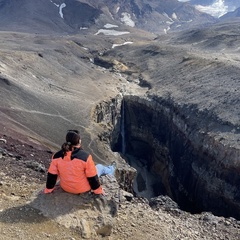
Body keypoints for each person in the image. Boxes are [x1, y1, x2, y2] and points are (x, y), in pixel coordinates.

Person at [44, 130, 115, 195]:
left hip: (66, 188)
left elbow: (52, 176)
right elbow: (92, 177)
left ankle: (111, 169)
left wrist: (48, 190)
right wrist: (98, 191)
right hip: (83, 188)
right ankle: (112, 170)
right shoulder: (85, 157)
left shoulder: (57, 156)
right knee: (100, 167)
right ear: (79, 141)